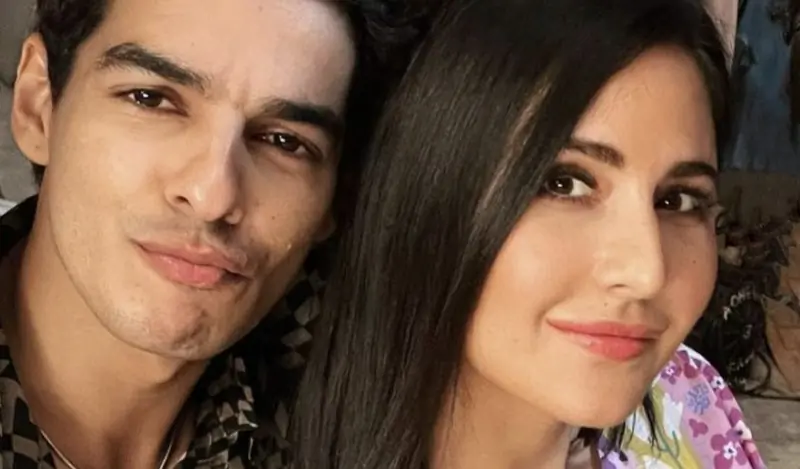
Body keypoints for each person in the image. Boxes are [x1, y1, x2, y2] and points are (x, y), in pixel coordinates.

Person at [291, 0, 766, 468]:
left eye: (679, 200)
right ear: (425, 190)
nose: (647, 273)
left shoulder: (689, 406)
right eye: (564, 184)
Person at [0, 0, 426, 467]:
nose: (212, 196)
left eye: (285, 142)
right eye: (151, 99)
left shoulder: (347, 398)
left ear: (336, 199)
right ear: (37, 106)